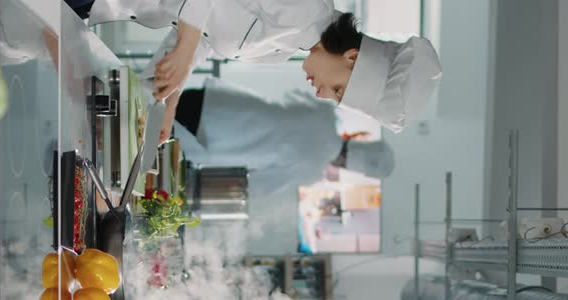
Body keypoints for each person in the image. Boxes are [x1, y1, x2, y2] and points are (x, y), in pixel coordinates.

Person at [86, 0, 442, 143]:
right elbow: (192, 38)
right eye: (337, 89)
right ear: (351, 57)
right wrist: (185, 48)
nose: (321, 95)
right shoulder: (307, 7)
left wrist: (170, 102)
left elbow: (205, 38)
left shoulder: (286, 50)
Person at [172, 77, 394, 254]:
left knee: (152, 112)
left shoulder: (325, 114)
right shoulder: (312, 169)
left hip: (219, 102)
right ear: (347, 166)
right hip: (212, 139)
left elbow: (290, 97)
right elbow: (258, 185)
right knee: (155, 140)